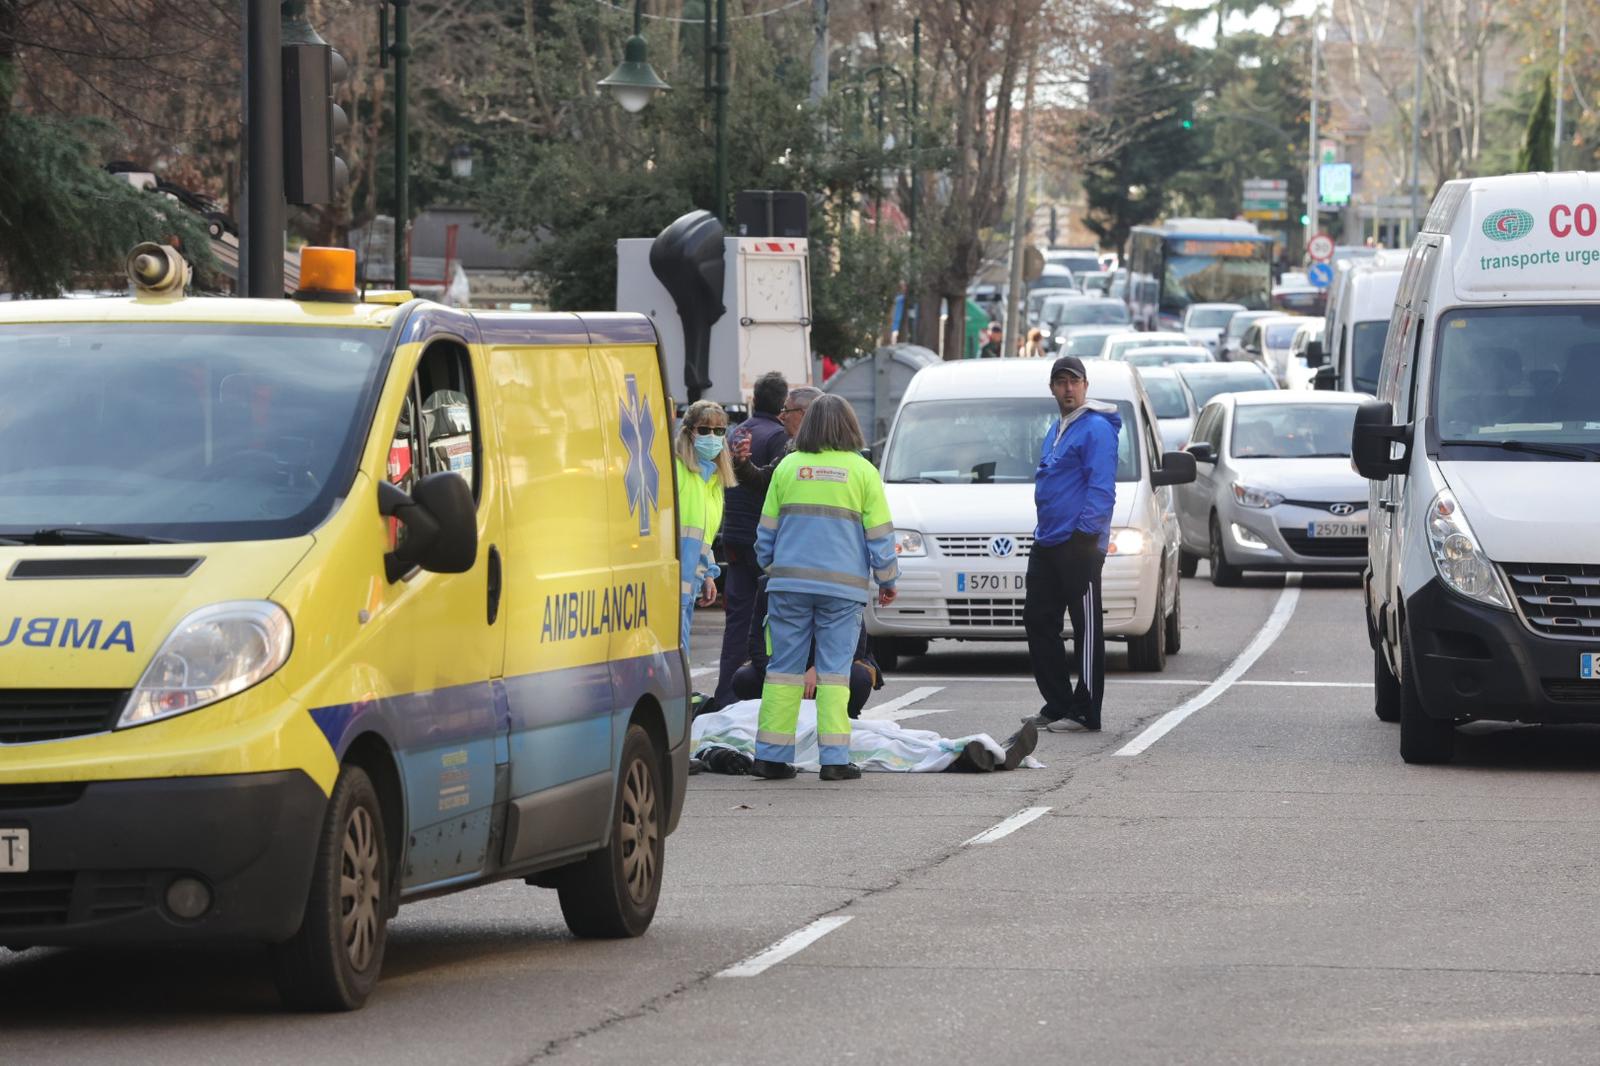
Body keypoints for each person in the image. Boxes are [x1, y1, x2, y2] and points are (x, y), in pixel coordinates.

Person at [752, 395, 899, 781]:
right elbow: (880, 535)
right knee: (834, 673)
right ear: (849, 426)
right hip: (842, 590)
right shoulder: (862, 471)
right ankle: (834, 760)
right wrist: (887, 580)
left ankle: (770, 756)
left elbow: (765, 533)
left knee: (783, 670)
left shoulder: (787, 467)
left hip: (788, 587)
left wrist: (773, 568)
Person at [1022, 356, 1119, 733]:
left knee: (1085, 627)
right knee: (1038, 619)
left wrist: (1085, 535)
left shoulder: (1095, 428)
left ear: (1085, 386)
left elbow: (1101, 486)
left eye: (1073, 382)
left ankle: (1087, 707)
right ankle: (1059, 702)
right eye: (1060, 382)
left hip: (1078, 543)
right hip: (1047, 540)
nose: (1067, 388)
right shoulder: (1058, 427)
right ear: (1051, 388)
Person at [711, 372, 791, 712]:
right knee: (768, 622)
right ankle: (759, 698)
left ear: (754, 400)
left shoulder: (735, 432)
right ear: (783, 406)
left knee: (737, 621)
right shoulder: (778, 437)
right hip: (762, 541)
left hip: (733, 536)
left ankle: (726, 697)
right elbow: (770, 485)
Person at [730, 575, 883, 718]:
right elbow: (756, 640)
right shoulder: (769, 584)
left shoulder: (838, 582)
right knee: (744, 679)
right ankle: (771, 714)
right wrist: (782, 675)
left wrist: (819, 669)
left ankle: (847, 716)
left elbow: (855, 641)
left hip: (827, 663)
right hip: (785, 665)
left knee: (859, 678)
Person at [674, 400, 736, 659]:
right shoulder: (677, 471)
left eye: (720, 431)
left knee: (681, 647)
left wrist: (708, 573)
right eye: (705, 430)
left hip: (690, 581)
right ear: (689, 432)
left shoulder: (712, 479)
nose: (713, 437)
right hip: (671, 583)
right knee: (677, 650)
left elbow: (702, 539)